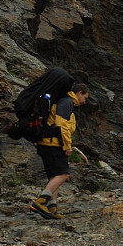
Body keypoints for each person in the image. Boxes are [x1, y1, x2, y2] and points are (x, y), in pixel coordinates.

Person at [30, 83, 89, 219]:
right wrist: (67, 146)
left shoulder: (63, 102)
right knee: (63, 174)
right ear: (79, 93)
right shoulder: (67, 102)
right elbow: (61, 125)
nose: (85, 101)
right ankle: (40, 202)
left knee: (54, 176)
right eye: (85, 97)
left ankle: (51, 208)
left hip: (46, 143)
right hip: (53, 144)